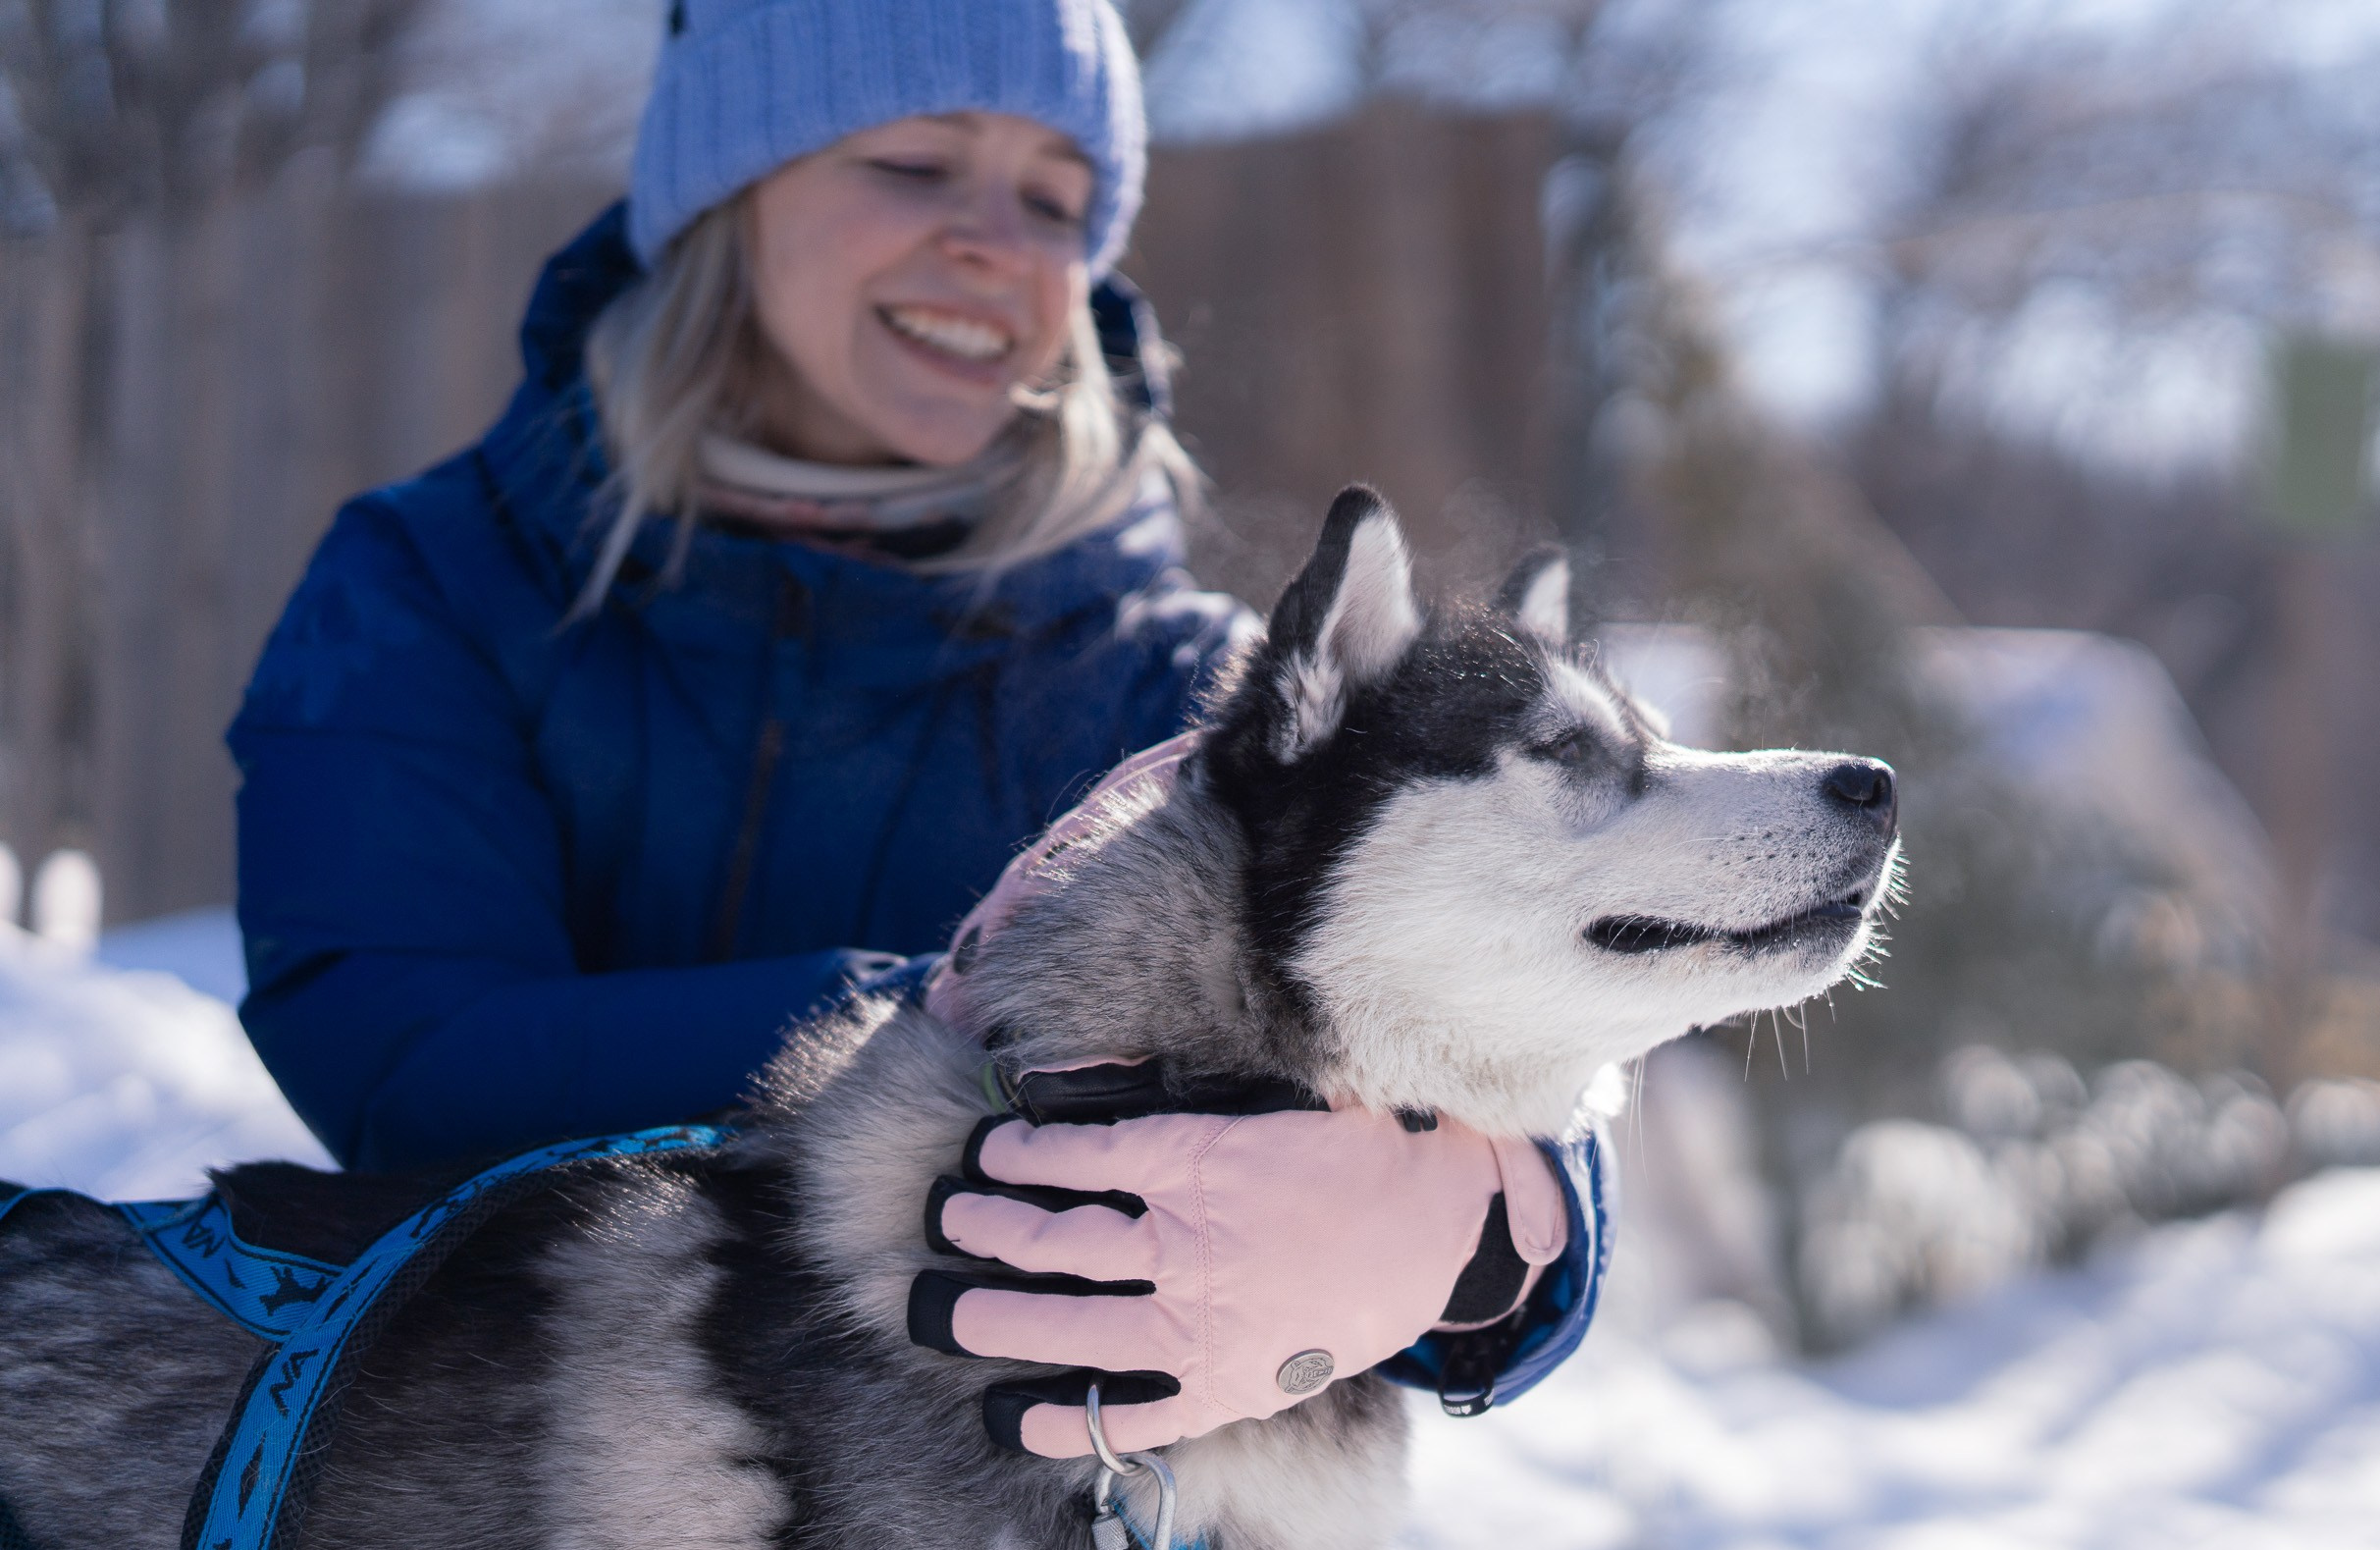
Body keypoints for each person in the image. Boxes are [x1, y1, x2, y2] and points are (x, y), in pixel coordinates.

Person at [228, 0, 1607, 1457]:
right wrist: (939, 1031)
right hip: (505, 1503)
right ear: (729, 186)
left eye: (1056, 200)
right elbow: (409, 1062)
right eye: (913, 163)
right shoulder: (437, 588)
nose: (1000, 247)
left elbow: (1516, 970)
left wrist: (1499, 1204)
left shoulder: (1173, 690)